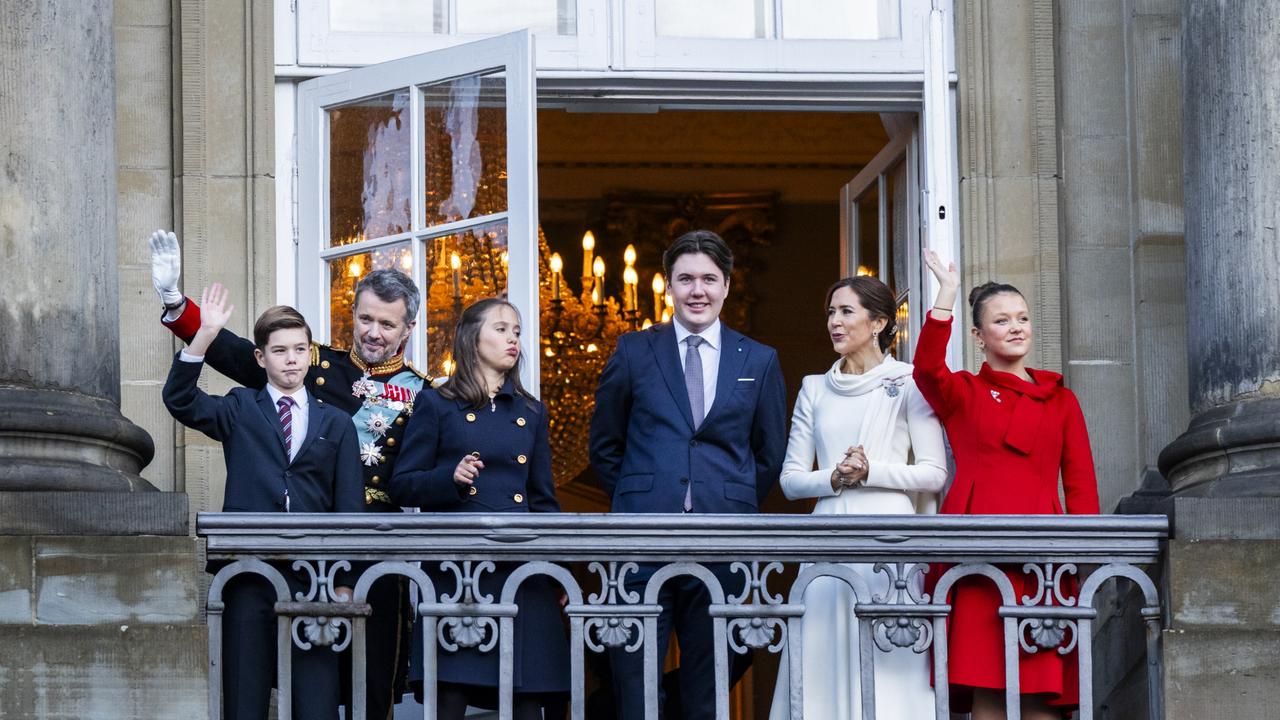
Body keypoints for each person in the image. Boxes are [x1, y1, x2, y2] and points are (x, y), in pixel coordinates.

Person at [149, 230, 423, 719]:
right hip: (292, 542)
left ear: (408, 328)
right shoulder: (313, 364)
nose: (373, 332)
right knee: (258, 683)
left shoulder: (425, 394)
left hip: (370, 544)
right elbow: (231, 350)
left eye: (387, 323)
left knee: (369, 683)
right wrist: (178, 305)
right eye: (365, 319)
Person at [588, 229, 788, 720]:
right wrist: (642, 496)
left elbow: (770, 452)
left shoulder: (759, 359)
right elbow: (604, 444)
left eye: (708, 279)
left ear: (726, 285)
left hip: (725, 538)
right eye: (685, 279)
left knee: (711, 682)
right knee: (634, 683)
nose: (697, 290)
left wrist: (729, 497)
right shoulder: (635, 350)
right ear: (669, 285)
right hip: (640, 538)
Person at [163, 285, 364, 720]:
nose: (291, 359)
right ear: (261, 358)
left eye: (299, 349)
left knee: (317, 699)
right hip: (247, 569)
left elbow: (350, 506)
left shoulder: (338, 422)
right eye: (279, 350)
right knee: (244, 695)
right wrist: (204, 334)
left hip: (317, 575)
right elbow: (180, 400)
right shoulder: (240, 407)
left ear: (309, 354)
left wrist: (346, 576)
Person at [916, 249, 1100, 719]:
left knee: (1044, 692)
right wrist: (947, 295)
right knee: (988, 691)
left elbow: (1080, 486)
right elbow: (927, 370)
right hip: (977, 558)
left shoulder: (1062, 400)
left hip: (1044, 561)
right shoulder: (963, 392)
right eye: (1001, 321)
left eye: (1022, 317)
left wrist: (1085, 562)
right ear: (978, 336)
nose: (1016, 326)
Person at [766, 276, 946, 720]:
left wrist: (872, 472)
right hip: (827, 537)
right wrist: (835, 478)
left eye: (846, 311)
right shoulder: (814, 387)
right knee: (823, 661)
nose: (835, 322)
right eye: (831, 312)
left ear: (879, 321)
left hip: (892, 542)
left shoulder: (908, 382)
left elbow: (934, 473)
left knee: (891, 669)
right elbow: (790, 480)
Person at [390, 298, 568, 720]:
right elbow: (402, 484)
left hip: (524, 573)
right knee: (451, 696)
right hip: (460, 574)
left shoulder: (531, 410)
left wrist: (559, 568)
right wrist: (448, 479)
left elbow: (543, 499)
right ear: (473, 338)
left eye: (517, 332)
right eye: (502, 329)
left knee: (528, 703)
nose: (513, 339)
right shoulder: (438, 403)